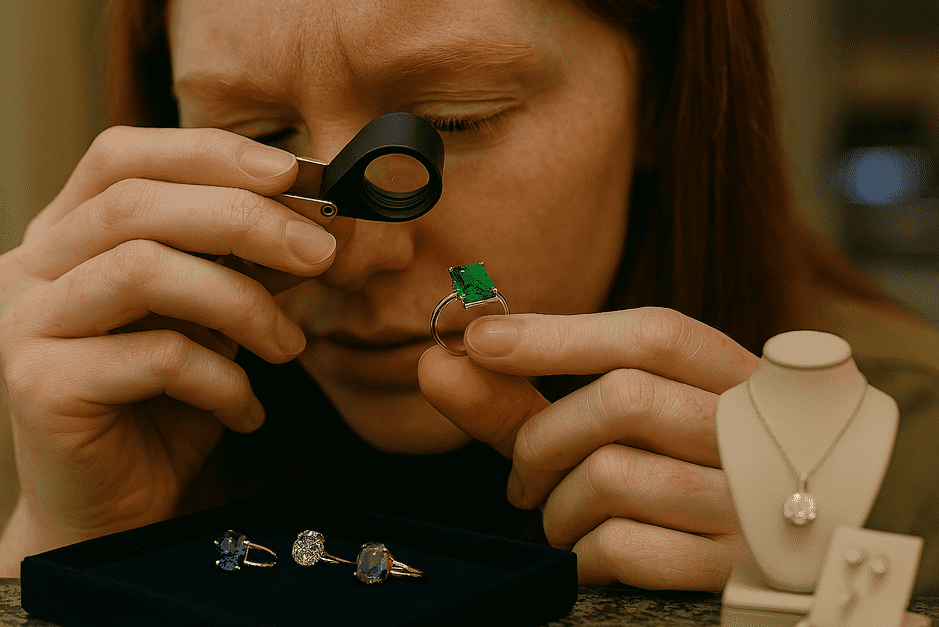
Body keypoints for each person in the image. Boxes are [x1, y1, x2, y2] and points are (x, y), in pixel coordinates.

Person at [1, 0, 938, 594]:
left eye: (455, 120)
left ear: (658, 96)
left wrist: (811, 595)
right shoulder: (102, 412)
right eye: (257, 133)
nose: (352, 256)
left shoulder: (908, 449)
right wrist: (71, 549)